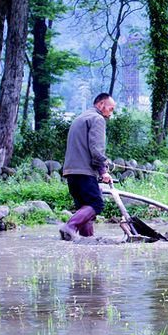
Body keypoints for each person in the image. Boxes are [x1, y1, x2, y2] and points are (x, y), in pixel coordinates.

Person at [59, 93, 115, 240]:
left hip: (71, 172)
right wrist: (103, 171)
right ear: (101, 104)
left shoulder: (80, 118)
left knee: (84, 209)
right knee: (96, 204)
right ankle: (69, 227)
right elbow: (96, 149)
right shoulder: (97, 119)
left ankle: (87, 242)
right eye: (110, 109)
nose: (110, 114)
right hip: (85, 171)